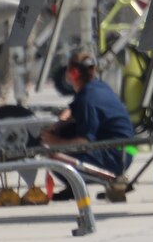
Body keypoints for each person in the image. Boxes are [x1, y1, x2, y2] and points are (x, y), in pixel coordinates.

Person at [41, 52, 134, 181]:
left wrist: (52, 142)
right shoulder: (98, 87)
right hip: (125, 150)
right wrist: (58, 124)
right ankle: (74, 185)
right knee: (65, 132)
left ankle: (77, 187)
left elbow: (84, 142)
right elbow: (73, 111)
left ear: (73, 73)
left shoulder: (87, 99)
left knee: (55, 156)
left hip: (116, 158)